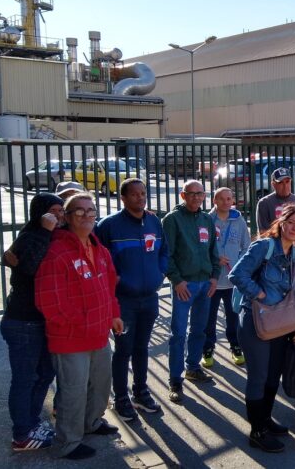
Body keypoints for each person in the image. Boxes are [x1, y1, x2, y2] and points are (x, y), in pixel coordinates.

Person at [35, 192, 122, 460]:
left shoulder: (100, 250)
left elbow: (109, 288)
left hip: (98, 334)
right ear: (68, 217)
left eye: (91, 211)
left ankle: (91, 423)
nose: (86, 216)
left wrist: (113, 315)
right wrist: (82, 323)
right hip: (70, 338)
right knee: (73, 392)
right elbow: (48, 302)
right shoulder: (56, 251)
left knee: (100, 384)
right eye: (79, 211)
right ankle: (67, 443)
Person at [230, 205, 295, 453]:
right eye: (291, 222)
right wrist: (259, 293)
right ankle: (257, 431)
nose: (294, 228)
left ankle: (265, 418)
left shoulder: (294, 253)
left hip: (279, 322)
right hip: (256, 321)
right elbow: (237, 274)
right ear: (281, 222)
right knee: (259, 377)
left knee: (273, 376)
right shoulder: (264, 246)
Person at [95, 178, 169, 423]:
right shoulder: (109, 226)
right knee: (123, 350)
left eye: (143, 193)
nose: (140, 198)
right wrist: (114, 280)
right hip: (123, 301)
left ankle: (140, 392)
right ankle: (121, 398)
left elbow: (163, 252)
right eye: (135, 194)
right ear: (123, 198)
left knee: (141, 348)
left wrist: (160, 274)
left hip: (149, 298)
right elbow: (97, 258)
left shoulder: (153, 221)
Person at [1, 193, 64, 451]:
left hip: (41, 321)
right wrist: (45, 230)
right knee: (25, 378)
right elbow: (29, 267)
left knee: (44, 374)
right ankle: (21, 435)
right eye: (52, 211)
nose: (58, 216)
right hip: (23, 322)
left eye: (61, 211)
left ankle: (31, 422)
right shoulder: (32, 236)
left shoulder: (48, 235)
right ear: (40, 213)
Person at [162, 180, 220, 403]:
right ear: (182, 195)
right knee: (178, 333)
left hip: (205, 284)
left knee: (199, 330)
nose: (196, 198)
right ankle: (175, 379)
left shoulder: (206, 219)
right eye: (191, 194)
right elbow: (167, 254)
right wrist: (176, 281)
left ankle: (193, 367)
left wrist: (214, 277)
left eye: (200, 194)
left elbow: (214, 251)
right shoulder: (172, 219)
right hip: (184, 286)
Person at [202, 187, 251, 369]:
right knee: (209, 319)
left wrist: (239, 265)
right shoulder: (206, 220)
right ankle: (207, 349)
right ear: (214, 200)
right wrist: (214, 259)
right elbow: (201, 248)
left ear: (233, 201)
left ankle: (236, 347)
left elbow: (246, 247)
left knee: (233, 317)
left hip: (232, 280)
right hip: (212, 280)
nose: (225, 202)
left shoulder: (238, 220)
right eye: (221, 199)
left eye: (229, 198)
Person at [256, 167, 295, 233]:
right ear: (273, 184)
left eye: (287, 182)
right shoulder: (264, 203)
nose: (285, 185)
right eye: (280, 183)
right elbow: (263, 232)